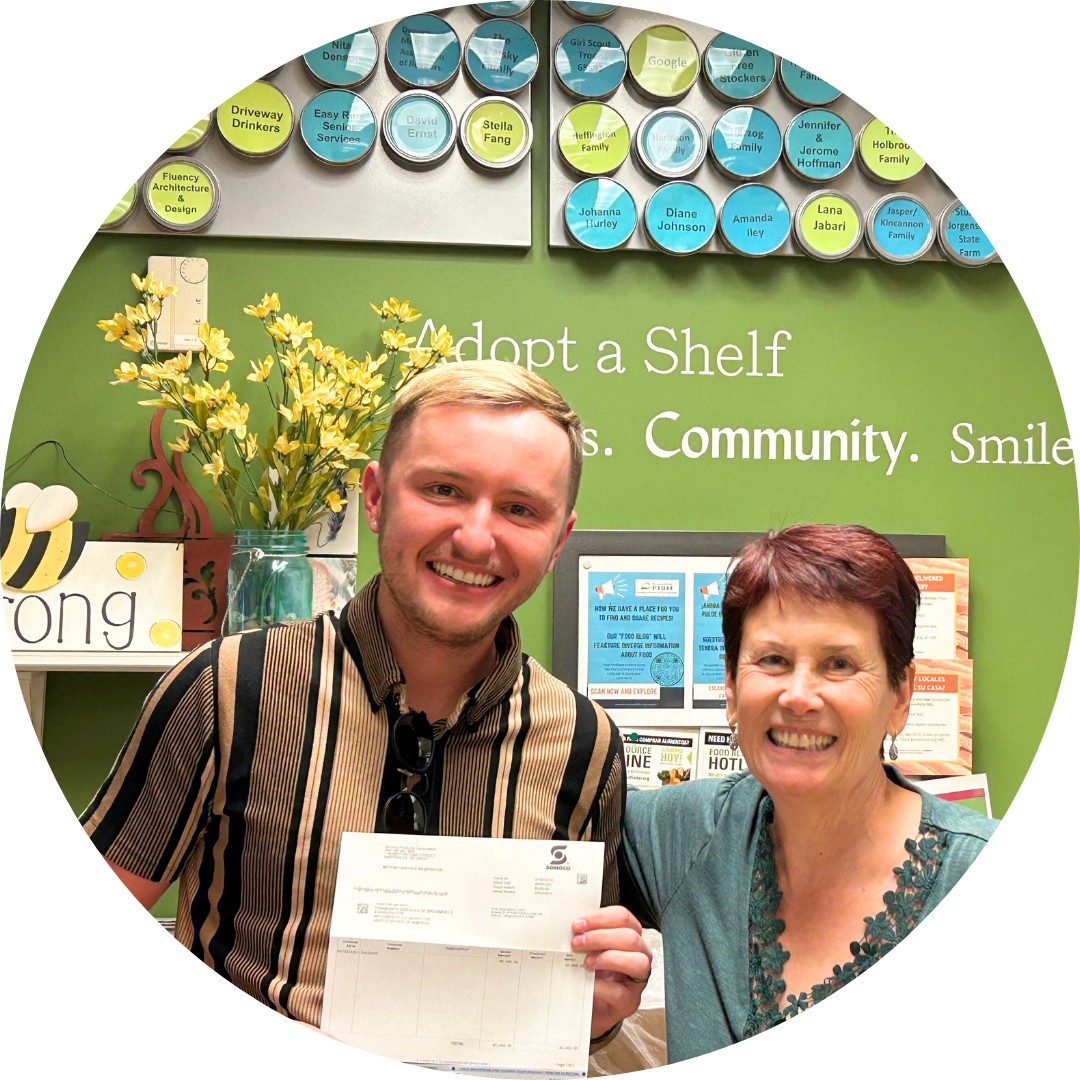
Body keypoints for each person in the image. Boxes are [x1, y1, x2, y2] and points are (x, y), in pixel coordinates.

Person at [81, 359, 650, 1040]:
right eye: (443, 489)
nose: (475, 536)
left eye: (520, 509)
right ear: (376, 498)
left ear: (558, 540)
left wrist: (597, 1013)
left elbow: (574, 1000)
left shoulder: (584, 745)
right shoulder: (227, 689)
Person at [590, 524, 997, 1061]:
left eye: (839, 664)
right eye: (773, 660)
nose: (799, 695)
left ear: (901, 696)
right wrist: (588, 1017)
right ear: (731, 691)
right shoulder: (681, 836)